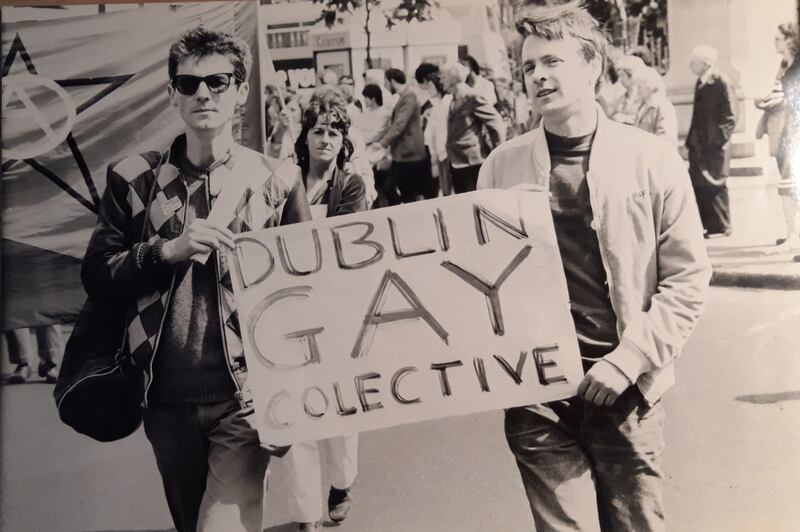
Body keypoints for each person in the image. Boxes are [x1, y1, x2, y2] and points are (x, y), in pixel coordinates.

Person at [478, 2, 711, 530]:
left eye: (551, 61)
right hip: (539, 398)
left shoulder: (651, 158)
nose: (537, 75)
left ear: (592, 66)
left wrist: (630, 359)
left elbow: (688, 278)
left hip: (627, 390)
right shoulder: (500, 166)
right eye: (528, 66)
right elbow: (482, 282)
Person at [80, 27, 311, 532]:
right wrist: (166, 250)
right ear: (172, 95)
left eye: (217, 82)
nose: (203, 93)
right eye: (188, 84)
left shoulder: (277, 180)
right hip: (163, 398)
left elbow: (306, 295)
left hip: (245, 398)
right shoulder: (133, 178)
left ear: (240, 90)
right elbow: (97, 273)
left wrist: (292, 394)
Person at [274, 91, 368, 532]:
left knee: (341, 409)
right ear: (305, 137)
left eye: (334, 132)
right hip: (289, 312)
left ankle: (341, 482)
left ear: (344, 140)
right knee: (295, 409)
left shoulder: (351, 186)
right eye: (318, 131)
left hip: (337, 313)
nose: (326, 139)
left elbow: (343, 244)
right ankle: (306, 511)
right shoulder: (283, 180)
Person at [686, 44, 737, 238]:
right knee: (700, 185)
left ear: (706, 63)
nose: (690, 66)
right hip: (699, 146)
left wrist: (717, 140)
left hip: (714, 146)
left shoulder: (721, 82)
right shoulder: (700, 83)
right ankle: (710, 226)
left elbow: (730, 115)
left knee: (715, 185)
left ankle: (722, 226)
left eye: (694, 62)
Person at [756, 22, 800, 249]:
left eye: (778, 39)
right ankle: (792, 234)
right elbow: (778, 94)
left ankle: (794, 236)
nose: (774, 42)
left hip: (794, 131)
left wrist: (768, 101)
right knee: (787, 185)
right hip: (783, 131)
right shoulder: (784, 64)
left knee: (791, 185)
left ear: (790, 40)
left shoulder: (796, 66)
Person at [441, 61, 505, 194]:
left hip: (472, 162)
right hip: (456, 161)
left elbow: (496, 123)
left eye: (444, 77)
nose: (441, 81)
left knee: (475, 200)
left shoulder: (472, 96)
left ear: (453, 78)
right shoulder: (453, 99)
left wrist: (498, 153)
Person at [373, 68, 429, 204]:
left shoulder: (410, 96)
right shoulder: (404, 96)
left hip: (410, 153)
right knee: (405, 191)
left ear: (392, 82)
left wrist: (382, 143)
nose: (385, 87)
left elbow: (399, 123)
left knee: (395, 189)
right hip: (404, 153)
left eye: (386, 83)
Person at [416, 62, 453, 196]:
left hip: (444, 152)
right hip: (437, 152)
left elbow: (443, 130)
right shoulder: (435, 104)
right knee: (443, 188)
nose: (428, 89)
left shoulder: (446, 102)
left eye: (431, 86)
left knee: (447, 189)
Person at [361, 83, 394, 206]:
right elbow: (359, 130)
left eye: (366, 98)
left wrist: (363, 137)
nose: (364, 101)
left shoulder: (384, 113)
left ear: (373, 98)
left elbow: (376, 134)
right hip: (365, 147)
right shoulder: (366, 113)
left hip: (378, 150)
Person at [632, 65, 678, 144]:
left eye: (639, 87)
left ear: (650, 86)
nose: (636, 91)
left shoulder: (664, 106)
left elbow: (665, 137)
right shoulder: (642, 106)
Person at [611, 54, 646, 125]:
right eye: (619, 76)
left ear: (632, 75)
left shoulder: (643, 97)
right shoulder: (620, 98)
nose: (619, 80)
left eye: (622, 76)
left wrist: (625, 119)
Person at [266, 94, 302, 160]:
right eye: (286, 109)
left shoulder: (306, 134)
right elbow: (273, 153)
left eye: (292, 110)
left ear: (301, 115)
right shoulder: (278, 133)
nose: (288, 113)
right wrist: (281, 129)